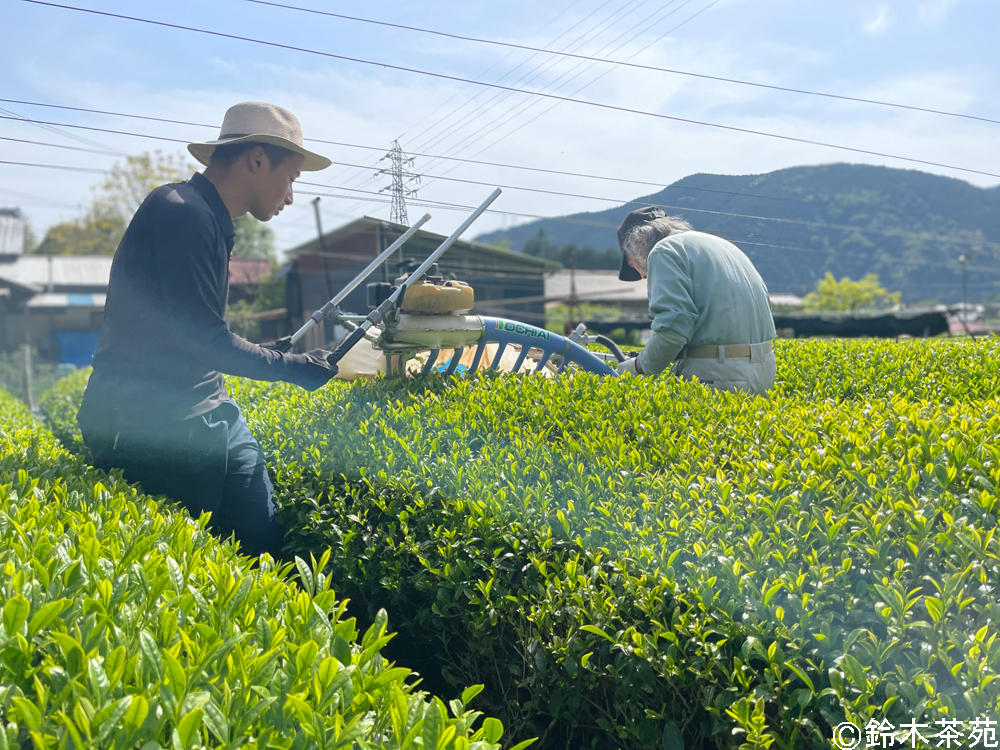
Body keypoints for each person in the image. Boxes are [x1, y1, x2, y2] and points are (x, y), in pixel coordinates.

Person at [77, 101, 337, 558]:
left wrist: (269, 352)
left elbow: (192, 333)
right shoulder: (182, 213)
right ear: (257, 159)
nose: (291, 196)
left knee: (260, 540)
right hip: (153, 425)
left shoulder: (205, 219)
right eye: (291, 178)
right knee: (192, 563)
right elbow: (203, 340)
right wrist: (292, 367)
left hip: (207, 409)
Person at [615, 206, 776, 395]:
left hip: (719, 376)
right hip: (763, 372)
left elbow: (672, 332)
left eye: (635, 265)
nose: (643, 275)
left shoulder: (664, 251)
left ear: (639, 240)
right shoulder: (723, 246)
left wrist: (637, 367)